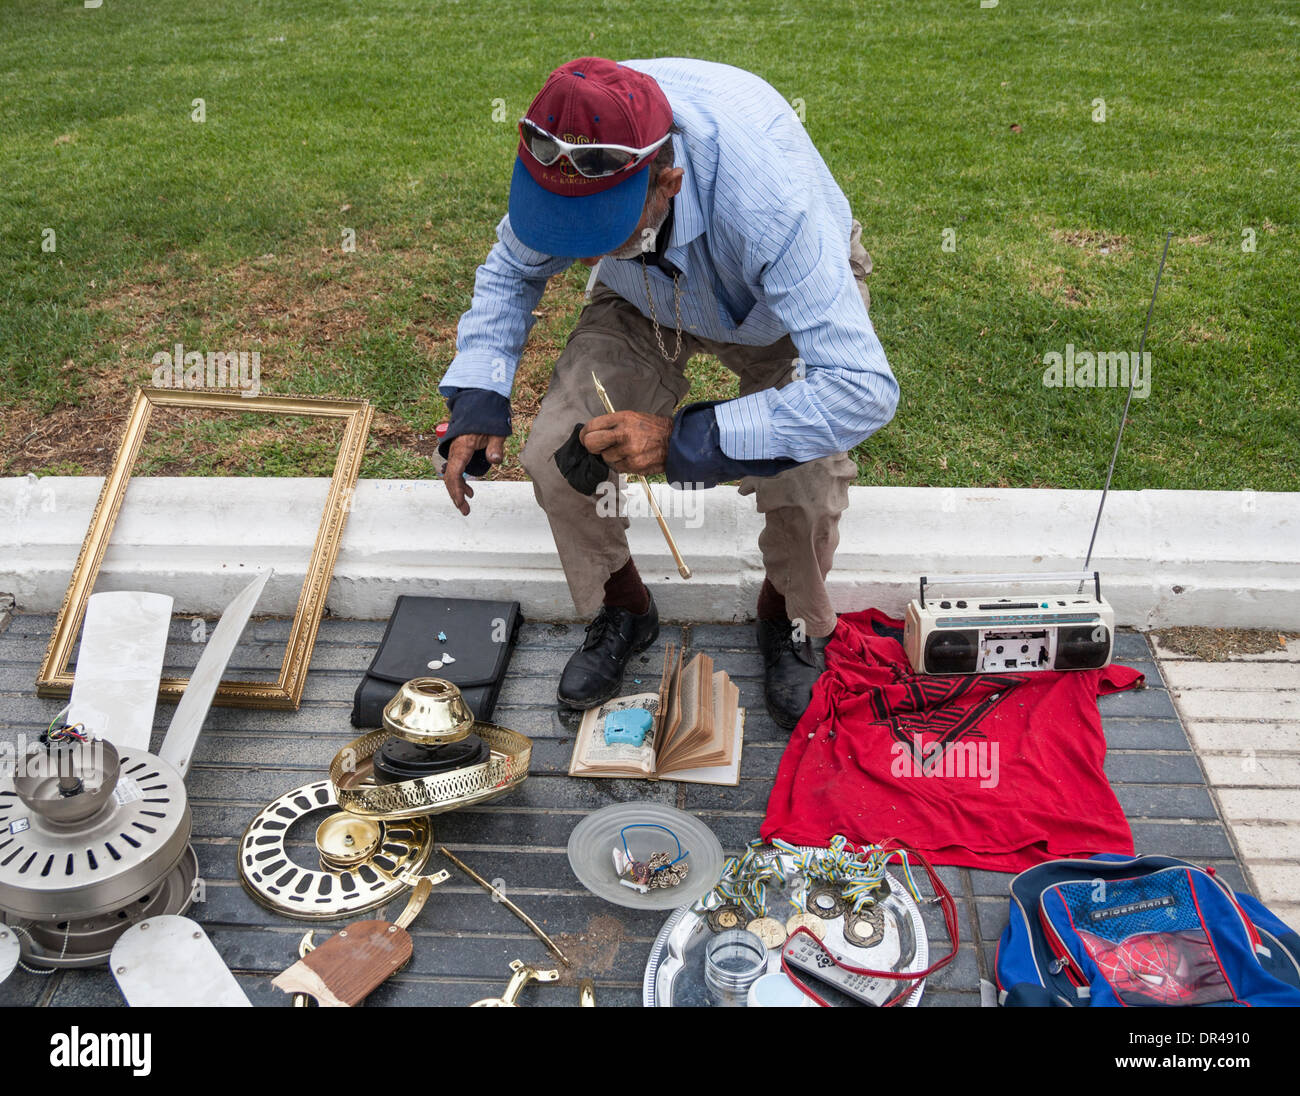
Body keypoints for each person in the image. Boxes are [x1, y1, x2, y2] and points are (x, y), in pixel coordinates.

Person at [438, 57, 898, 729]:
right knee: (554, 452)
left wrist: (689, 440)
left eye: (597, 232)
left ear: (668, 181)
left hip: (774, 308)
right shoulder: (570, 143)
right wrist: (479, 393)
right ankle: (624, 609)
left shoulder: (773, 204)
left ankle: (787, 620)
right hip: (641, 299)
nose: (576, 248)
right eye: (566, 228)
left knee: (808, 475)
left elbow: (859, 391)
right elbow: (512, 269)